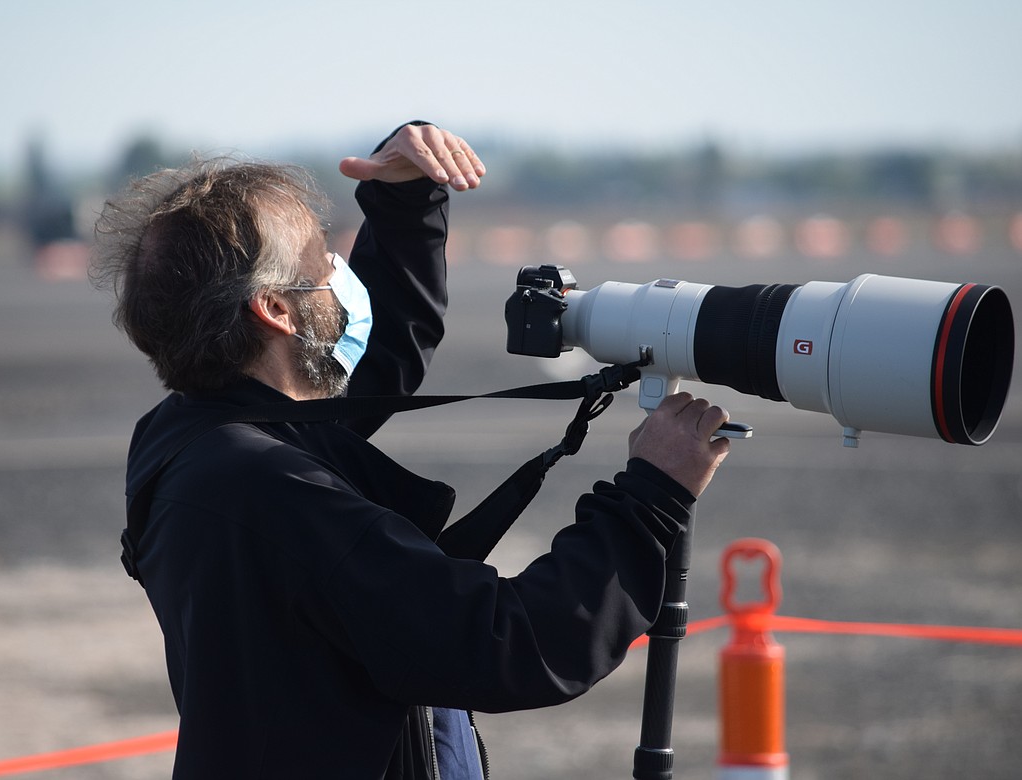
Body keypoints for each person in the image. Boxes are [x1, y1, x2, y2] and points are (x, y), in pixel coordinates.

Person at [91, 121, 732, 779]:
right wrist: (651, 497)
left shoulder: (195, 432)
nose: (336, 273)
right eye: (319, 259)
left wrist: (406, 201)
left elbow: (373, 358)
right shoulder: (268, 490)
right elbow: (507, 643)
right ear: (276, 309)